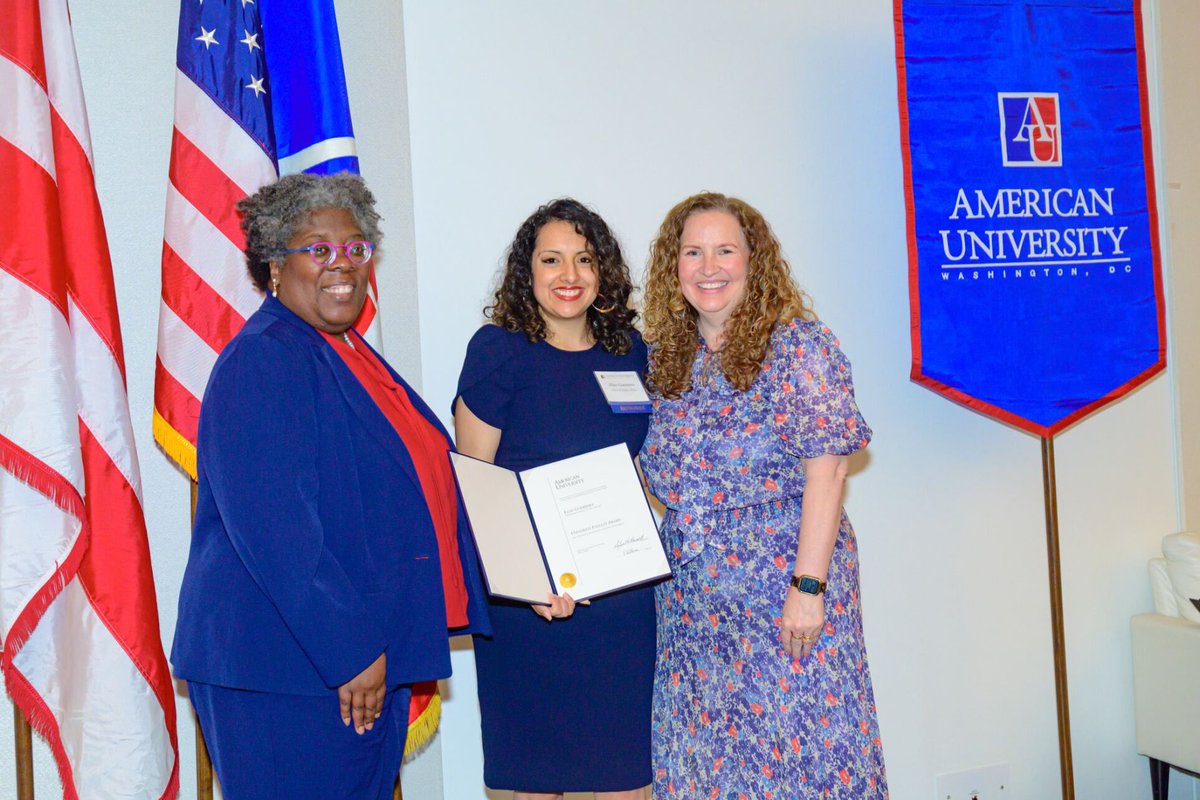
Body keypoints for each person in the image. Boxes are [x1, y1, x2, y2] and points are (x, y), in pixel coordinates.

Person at [171, 172, 490, 799]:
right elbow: (276, 529)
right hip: (292, 670)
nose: (341, 264)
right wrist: (351, 649)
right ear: (272, 267)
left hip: (348, 660)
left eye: (354, 248)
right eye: (317, 249)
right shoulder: (267, 358)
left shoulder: (344, 352)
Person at [639, 192, 888, 798]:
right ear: (673, 269)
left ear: (756, 261)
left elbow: (827, 472)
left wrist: (807, 588)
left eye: (725, 250)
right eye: (692, 252)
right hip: (693, 607)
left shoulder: (798, 346)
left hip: (781, 595)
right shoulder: (667, 361)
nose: (709, 266)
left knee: (798, 751)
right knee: (705, 759)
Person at [453, 198, 654, 799]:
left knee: (622, 783)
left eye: (584, 260)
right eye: (552, 260)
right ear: (527, 272)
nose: (569, 276)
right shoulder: (499, 350)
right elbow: (475, 482)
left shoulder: (631, 353)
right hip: (530, 613)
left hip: (618, 612)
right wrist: (528, 583)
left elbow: (637, 471)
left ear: (604, 271)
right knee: (534, 785)